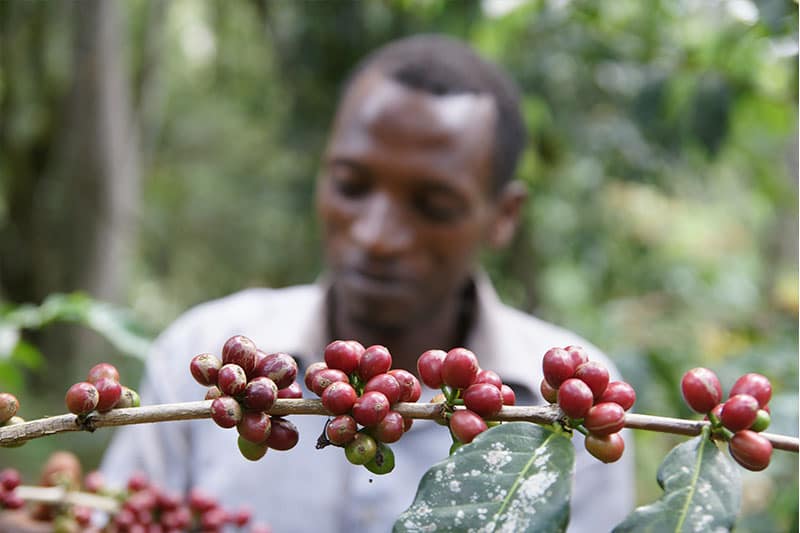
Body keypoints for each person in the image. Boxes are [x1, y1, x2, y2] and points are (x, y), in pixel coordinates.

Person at [101, 34, 634, 532]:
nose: (377, 236)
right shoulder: (202, 353)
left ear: (503, 216)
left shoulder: (576, 404)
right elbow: (118, 514)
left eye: (433, 205)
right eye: (351, 185)